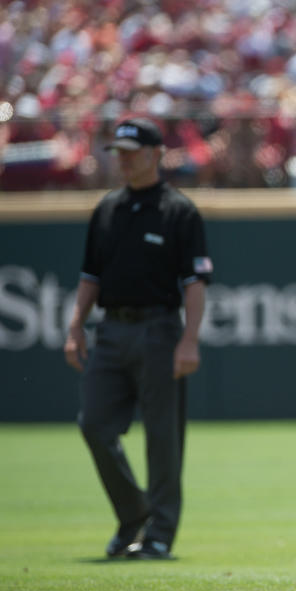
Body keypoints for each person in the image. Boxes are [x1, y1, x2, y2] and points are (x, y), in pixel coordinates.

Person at [63, 117, 212, 560]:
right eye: (119, 153)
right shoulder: (106, 209)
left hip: (159, 328)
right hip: (111, 329)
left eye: (132, 152)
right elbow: (90, 276)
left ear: (155, 154)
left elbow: (195, 283)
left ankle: (160, 533)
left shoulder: (178, 210)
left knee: (162, 437)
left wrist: (189, 340)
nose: (124, 161)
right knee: (94, 423)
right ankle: (134, 512)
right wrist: (75, 327)